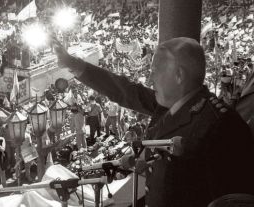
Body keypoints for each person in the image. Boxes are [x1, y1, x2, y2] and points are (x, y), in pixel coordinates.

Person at [52, 36, 254, 207]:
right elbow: (127, 92)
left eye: (155, 70)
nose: (150, 78)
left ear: (178, 75)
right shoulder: (172, 105)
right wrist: (75, 65)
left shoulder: (221, 127)